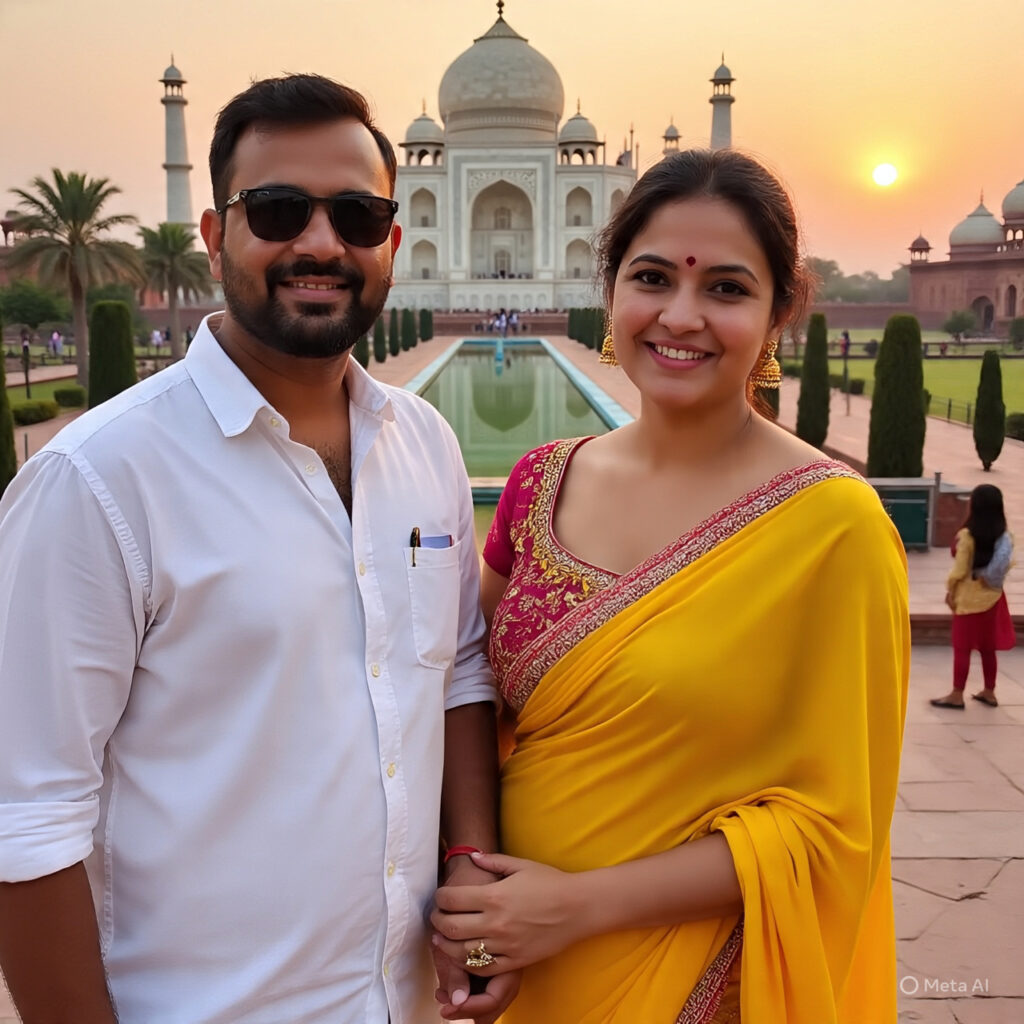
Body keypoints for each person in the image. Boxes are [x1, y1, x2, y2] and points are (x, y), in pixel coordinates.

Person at [0, 74, 511, 1024]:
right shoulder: (99, 481)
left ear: (393, 242)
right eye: (277, 210)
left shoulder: (426, 445)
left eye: (357, 216)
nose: (321, 243)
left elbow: (458, 676)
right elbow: (24, 824)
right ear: (213, 233)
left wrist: (472, 891)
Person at [431, 149, 909, 1022]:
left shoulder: (832, 528)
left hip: (690, 976)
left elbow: (833, 828)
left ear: (779, 313)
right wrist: (469, 870)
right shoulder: (543, 480)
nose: (680, 315)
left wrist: (575, 908)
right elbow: (460, 686)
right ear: (610, 288)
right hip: (517, 970)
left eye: (727, 288)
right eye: (652, 277)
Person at [931, 484, 1015, 709]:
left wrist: (950, 590)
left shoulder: (967, 536)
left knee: (962, 647)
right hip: (993, 598)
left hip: (968, 599)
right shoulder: (1005, 536)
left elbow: (960, 570)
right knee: (988, 648)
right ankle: (989, 691)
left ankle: (957, 694)